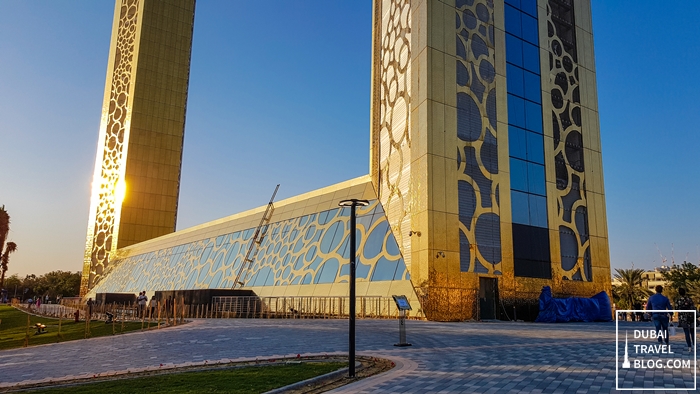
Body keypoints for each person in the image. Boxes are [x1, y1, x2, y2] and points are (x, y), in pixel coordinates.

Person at [675, 288, 696, 352]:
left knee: (686, 333)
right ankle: (694, 346)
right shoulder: (689, 299)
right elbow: (693, 307)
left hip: (683, 318)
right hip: (691, 317)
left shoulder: (678, 300)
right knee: (692, 332)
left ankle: (689, 347)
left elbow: (676, 309)